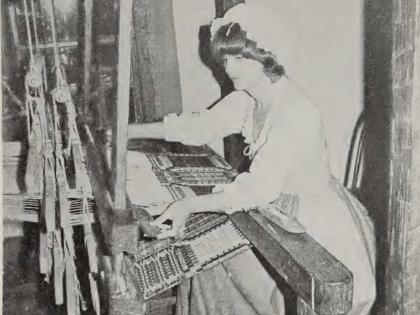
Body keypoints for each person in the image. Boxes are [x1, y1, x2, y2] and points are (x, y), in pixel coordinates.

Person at [128, 3, 376, 314]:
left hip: (312, 223)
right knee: (214, 267)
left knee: (282, 301)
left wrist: (186, 204)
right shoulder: (249, 97)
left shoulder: (294, 112)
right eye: (227, 57)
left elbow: (255, 190)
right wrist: (129, 130)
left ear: (266, 54)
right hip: (273, 208)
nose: (230, 67)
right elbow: (199, 126)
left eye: (241, 57)